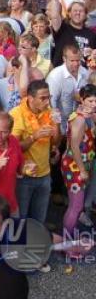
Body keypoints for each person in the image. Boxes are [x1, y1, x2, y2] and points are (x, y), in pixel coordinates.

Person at [10, 80, 59, 222]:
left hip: (45, 174)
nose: (47, 102)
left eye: (49, 97)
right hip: (24, 177)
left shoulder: (49, 112)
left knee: (39, 219)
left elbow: (55, 141)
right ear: (31, 98)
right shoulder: (16, 114)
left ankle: (38, 235)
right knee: (21, 220)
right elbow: (13, 148)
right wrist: (34, 137)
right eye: (43, 98)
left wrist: (57, 124)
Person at [61, 84, 96, 237]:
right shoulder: (80, 119)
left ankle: (70, 237)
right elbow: (74, 146)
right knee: (75, 206)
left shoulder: (89, 116)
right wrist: (82, 170)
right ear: (82, 100)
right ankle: (67, 240)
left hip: (83, 163)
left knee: (77, 205)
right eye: (90, 101)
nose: (94, 104)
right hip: (74, 166)